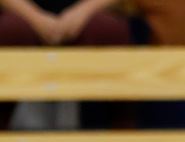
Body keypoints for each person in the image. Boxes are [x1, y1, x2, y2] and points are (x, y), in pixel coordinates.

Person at [0, 0, 132, 130]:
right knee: (10, 30)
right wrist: (35, 18)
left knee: (110, 31)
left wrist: (82, 12)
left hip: (86, 12)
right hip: (24, 13)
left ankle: (124, 136)